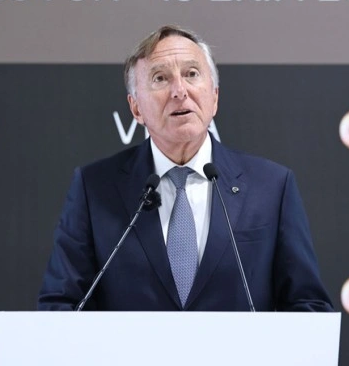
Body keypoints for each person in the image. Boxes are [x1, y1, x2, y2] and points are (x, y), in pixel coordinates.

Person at [37, 25, 332, 311]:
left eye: (191, 74)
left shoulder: (271, 186)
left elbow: (307, 306)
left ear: (214, 97)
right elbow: (61, 306)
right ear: (136, 108)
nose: (180, 91)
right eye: (160, 78)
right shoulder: (94, 188)